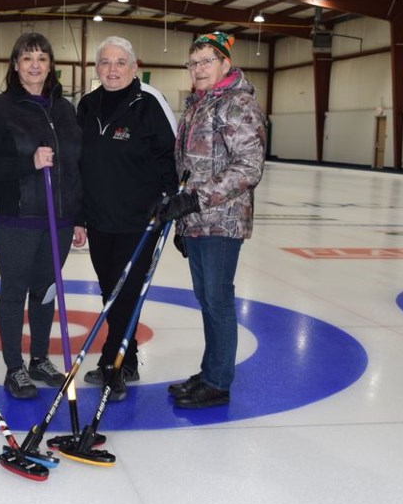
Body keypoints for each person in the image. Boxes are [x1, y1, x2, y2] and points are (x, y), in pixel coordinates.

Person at [155, 31, 266, 408]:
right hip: (200, 220)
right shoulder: (199, 103)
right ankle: (209, 371)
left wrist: (193, 201)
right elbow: (191, 166)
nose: (198, 68)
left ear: (224, 64)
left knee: (217, 301)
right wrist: (185, 217)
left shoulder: (238, 105)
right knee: (206, 299)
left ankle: (218, 382)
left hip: (222, 221)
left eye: (206, 61)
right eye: (193, 62)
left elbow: (248, 168)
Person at [0, 32, 86, 399]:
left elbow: (76, 165)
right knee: (15, 289)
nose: (35, 64)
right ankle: (14, 367)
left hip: (59, 218)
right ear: (15, 65)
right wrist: (28, 162)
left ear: (51, 65)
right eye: (27, 58)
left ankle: (39, 358)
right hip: (16, 217)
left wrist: (79, 214)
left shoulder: (65, 109)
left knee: (45, 290)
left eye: (42, 57)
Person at [77, 36, 178, 401]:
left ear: (134, 67)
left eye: (120, 62)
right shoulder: (87, 106)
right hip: (100, 219)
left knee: (125, 294)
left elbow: (171, 157)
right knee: (110, 292)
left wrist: (167, 201)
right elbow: (77, 163)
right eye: (105, 62)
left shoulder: (150, 103)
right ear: (97, 68)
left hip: (139, 221)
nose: (112, 69)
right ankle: (128, 358)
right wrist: (78, 214)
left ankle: (114, 366)